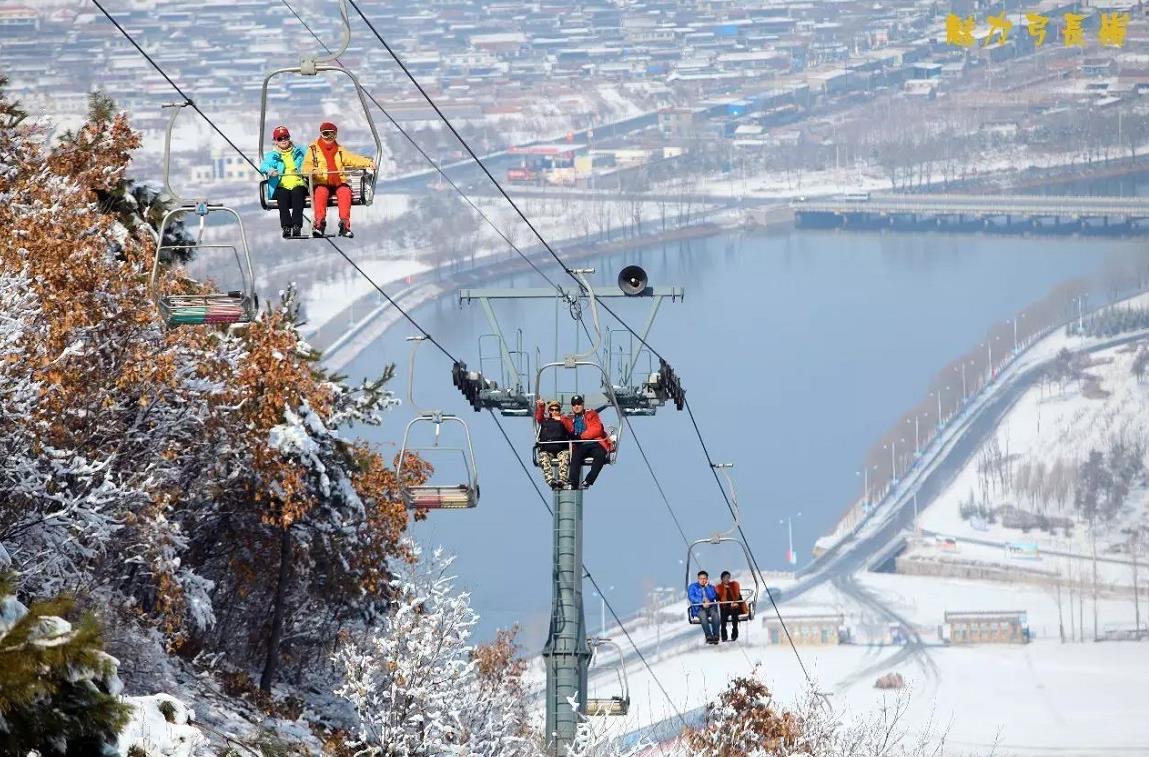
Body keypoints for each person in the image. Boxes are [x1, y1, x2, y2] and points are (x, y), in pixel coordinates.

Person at [301, 121, 375, 238]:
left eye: (332, 135)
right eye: (326, 134)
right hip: (322, 181)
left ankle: (345, 225)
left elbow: (352, 159)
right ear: (321, 134)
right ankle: (320, 224)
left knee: (345, 192)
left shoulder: (340, 150)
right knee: (320, 193)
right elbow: (306, 166)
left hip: (338, 182)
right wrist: (313, 171)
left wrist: (368, 163)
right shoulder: (314, 150)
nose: (329, 138)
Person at [259, 126, 308, 238]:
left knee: (297, 194)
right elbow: (263, 166)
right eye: (280, 139)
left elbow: (310, 158)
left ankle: (296, 225)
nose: (284, 140)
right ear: (276, 141)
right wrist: (270, 170)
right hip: (281, 185)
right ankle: (286, 226)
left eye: (286, 137)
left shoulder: (299, 152)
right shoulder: (273, 155)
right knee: (282, 196)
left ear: (289, 138)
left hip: (298, 183)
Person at [563, 394, 611, 489]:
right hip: (580, 446)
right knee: (575, 458)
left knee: (600, 455)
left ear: (582, 404)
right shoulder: (569, 419)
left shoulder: (591, 414)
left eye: (579, 404)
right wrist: (541, 408)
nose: (576, 406)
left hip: (594, 443)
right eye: (574, 404)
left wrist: (581, 436)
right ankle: (573, 482)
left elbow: (598, 429)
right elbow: (549, 420)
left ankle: (588, 480)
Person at [534, 399, 573, 489]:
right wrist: (541, 406)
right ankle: (550, 480)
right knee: (543, 457)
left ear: (560, 411)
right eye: (552, 410)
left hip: (561, 449)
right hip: (547, 449)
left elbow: (570, 427)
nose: (554, 412)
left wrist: (561, 419)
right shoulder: (545, 421)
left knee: (565, 456)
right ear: (549, 411)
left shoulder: (564, 420)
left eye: (557, 410)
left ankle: (562, 480)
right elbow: (539, 417)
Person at [687, 570, 720, 645]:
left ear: (707, 579)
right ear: (698, 579)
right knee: (703, 615)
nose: (703, 580)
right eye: (701, 579)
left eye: (704, 578)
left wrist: (707, 587)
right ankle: (708, 635)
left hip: (710, 606)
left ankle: (716, 635)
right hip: (699, 607)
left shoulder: (710, 587)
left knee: (715, 614)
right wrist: (702, 602)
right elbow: (691, 597)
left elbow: (713, 596)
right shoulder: (693, 587)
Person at [715, 570, 746, 642]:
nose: (727, 579)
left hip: (734, 606)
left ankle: (734, 632)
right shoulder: (719, 588)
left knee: (734, 612)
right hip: (725, 607)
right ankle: (724, 634)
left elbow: (739, 597)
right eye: (725, 578)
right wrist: (720, 601)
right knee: (723, 617)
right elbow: (717, 598)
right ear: (722, 579)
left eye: (728, 577)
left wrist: (737, 602)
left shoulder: (733, 586)